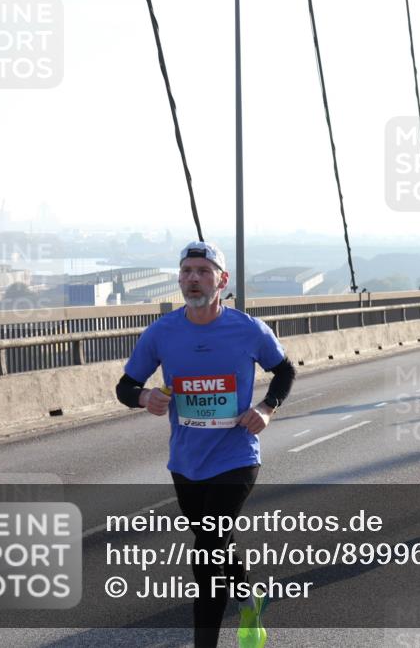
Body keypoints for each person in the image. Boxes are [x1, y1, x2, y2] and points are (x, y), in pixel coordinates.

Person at [115, 241, 296, 648]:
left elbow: (285, 370)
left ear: (222, 280)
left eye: (202, 271)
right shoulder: (161, 332)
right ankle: (249, 600)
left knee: (207, 553)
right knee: (217, 544)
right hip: (186, 462)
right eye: (186, 271)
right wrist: (145, 397)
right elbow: (125, 386)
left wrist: (267, 407)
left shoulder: (248, 329)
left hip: (237, 457)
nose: (193, 279)